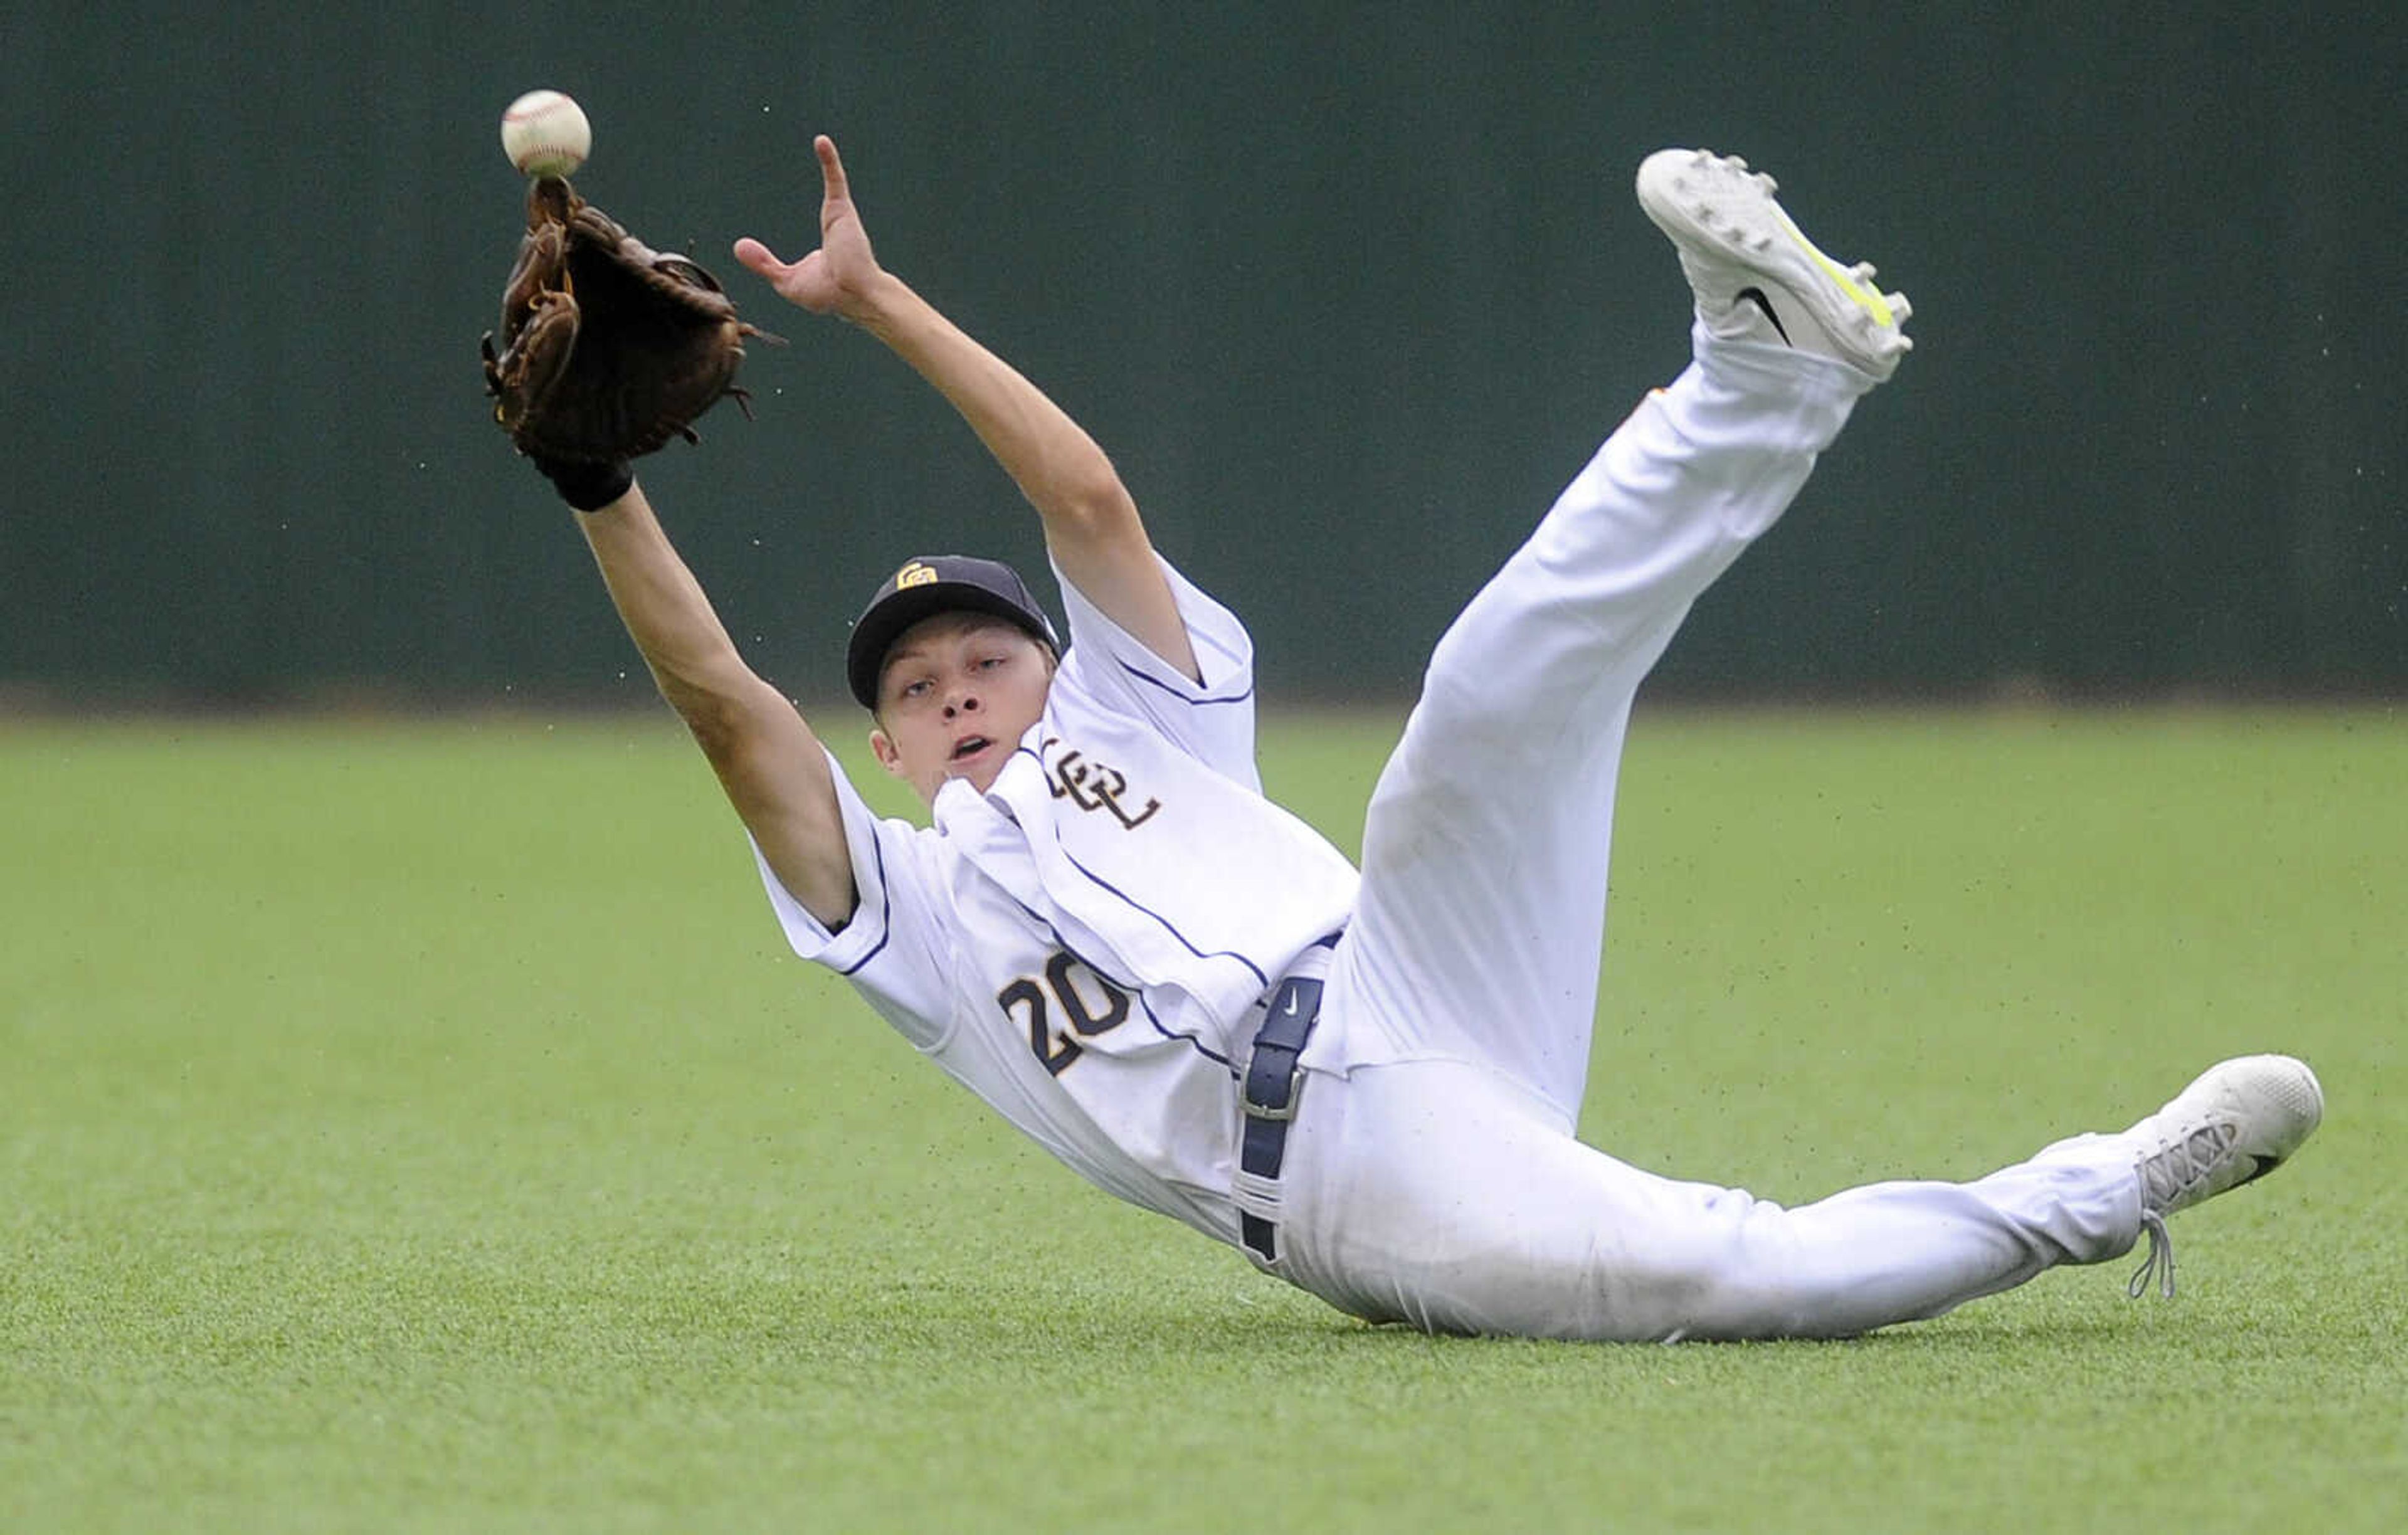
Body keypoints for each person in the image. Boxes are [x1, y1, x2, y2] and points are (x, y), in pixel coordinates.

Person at [534, 135, 2323, 1341]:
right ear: (900, 758)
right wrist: (597, 482)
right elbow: (731, 713)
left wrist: (883, 307)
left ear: (1051, 671)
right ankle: (2095, 1194)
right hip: (1338, 1179)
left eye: (981, 657)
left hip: (1408, 975)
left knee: (1477, 700)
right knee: (1730, 1270)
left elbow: (1078, 494)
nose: (952, 694)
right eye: (911, 693)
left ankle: (1762, 375)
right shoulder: (915, 922)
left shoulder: (1145, 715)